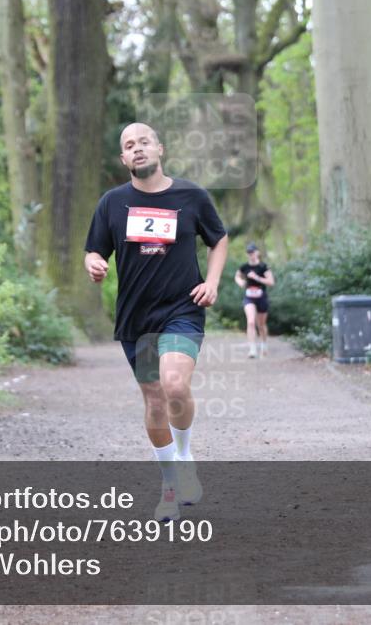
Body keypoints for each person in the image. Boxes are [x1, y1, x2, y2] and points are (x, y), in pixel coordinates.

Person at [84, 122, 228, 522]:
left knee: (175, 385)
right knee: (154, 400)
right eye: (129, 145)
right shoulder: (112, 203)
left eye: (144, 141)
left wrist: (212, 282)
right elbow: (94, 250)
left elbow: (218, 238)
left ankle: (185, 457)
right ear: (123, 158)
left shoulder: (191, 196)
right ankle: (170, 484)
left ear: (159, 149)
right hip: (137, 316)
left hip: (182, 309)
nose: (137, 148)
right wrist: (93, 263)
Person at [234, 243, 274, 358]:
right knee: (251, 322)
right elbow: (237, 276)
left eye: (252, 252)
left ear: (257, 253)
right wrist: (240, 282)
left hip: (261, 297)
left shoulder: (263, 267)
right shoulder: (244, 267)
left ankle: (264, 344)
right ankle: (252, 350)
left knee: (261, 325)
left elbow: (271, 282)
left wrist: (257, 277)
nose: (251, 254)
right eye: (249, 252)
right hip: (249, 297)